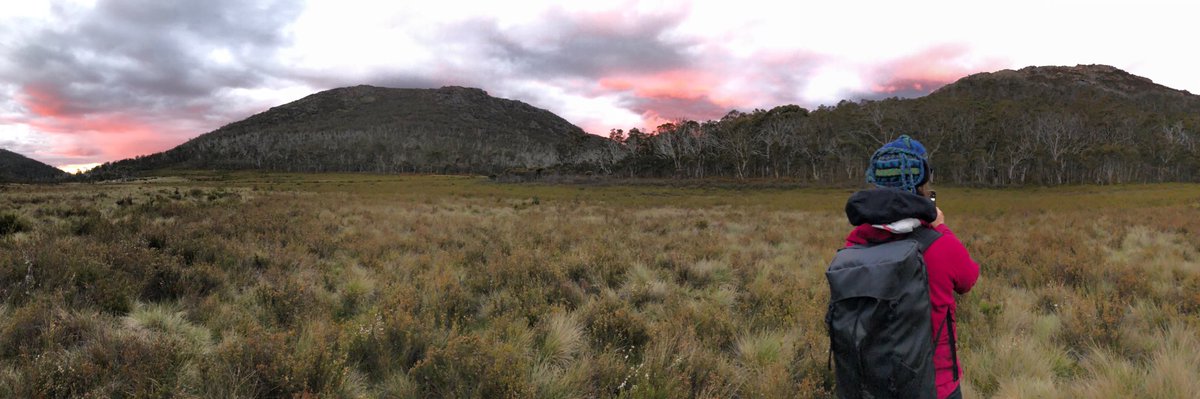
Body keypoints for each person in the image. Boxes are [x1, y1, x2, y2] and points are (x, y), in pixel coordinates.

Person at [844, 135, 980, 399]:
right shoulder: (940, 245)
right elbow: (968, 278)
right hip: (936, 384)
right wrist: (941, 227)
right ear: (923, 180)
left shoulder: (856, 243)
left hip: (875, 384)